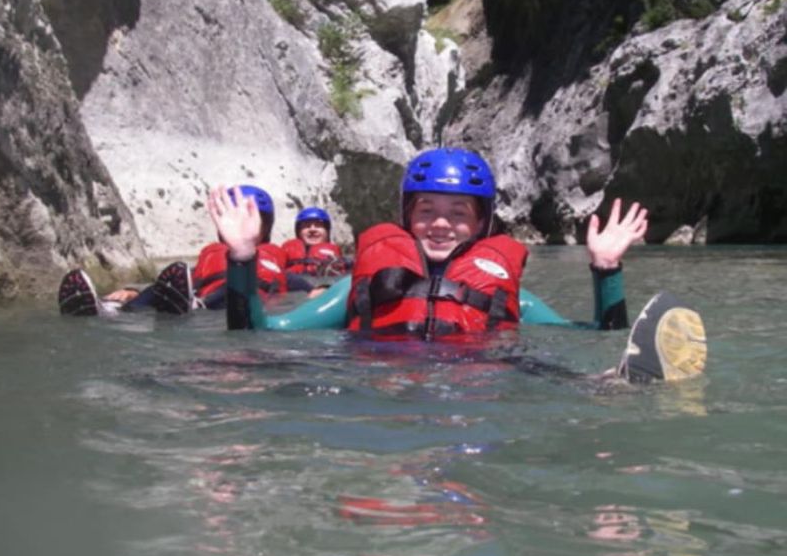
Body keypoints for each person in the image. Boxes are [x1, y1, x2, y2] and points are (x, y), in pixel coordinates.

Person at [208, 147, 707, 382]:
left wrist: (605, 269)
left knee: (547, 372)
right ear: (407, 215)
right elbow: (257, 332)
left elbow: (598, 333)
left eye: (458, 213)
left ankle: (614, 386)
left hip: (476, 384)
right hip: (379, 383)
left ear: (483, 222)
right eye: (426, 211)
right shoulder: (362, 287)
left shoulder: (507, 294)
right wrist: (244, 257)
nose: (440, 225)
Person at [58, 185, 314, 316]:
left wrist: (318, 291)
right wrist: (132, 292)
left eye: (251, 218)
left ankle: (196, 306)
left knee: (231, 288)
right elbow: (177, 283)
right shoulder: (209, 259)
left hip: (238, 303)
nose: (241, 222)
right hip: (199, 300)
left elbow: (298, 283)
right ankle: (114, 310)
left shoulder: (275, 264)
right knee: (164, 287)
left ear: (266, 228)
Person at [282, 207, 349, 276]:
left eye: (318, 225)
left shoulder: (343, 261)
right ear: (298, 232)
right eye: (306, 226)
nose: (312, 230)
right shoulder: (286, 253)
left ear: (327, 232)